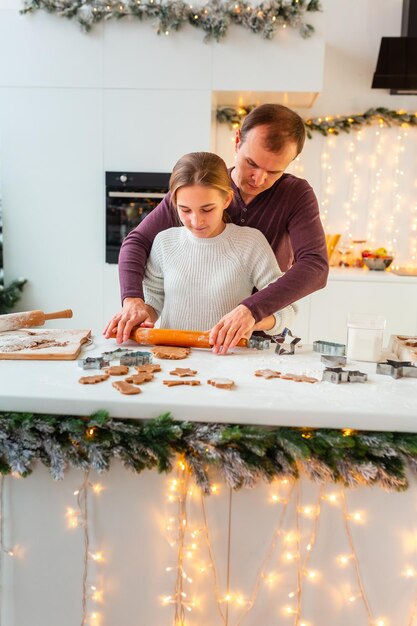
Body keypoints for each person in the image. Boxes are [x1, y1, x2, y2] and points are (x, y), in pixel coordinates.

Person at [104, 103, 328, 351]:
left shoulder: (295, 194)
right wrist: (133, 300)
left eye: (274, 171)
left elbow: (315, 266)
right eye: (251, 163)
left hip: (258, 338)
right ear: (237, 142)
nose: (259, 179)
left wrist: (251, 310)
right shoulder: (199, 190)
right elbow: (137, 242)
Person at [139, 152, 296, 348]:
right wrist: (140, 316)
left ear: (227, 200)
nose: (196, 221)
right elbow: (153, 300)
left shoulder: (250, 242)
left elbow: (287, 309)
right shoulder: (164, 242)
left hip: (228, 361)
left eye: (207, 209)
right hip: (172, 360)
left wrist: (252, 320)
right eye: (185, 210)